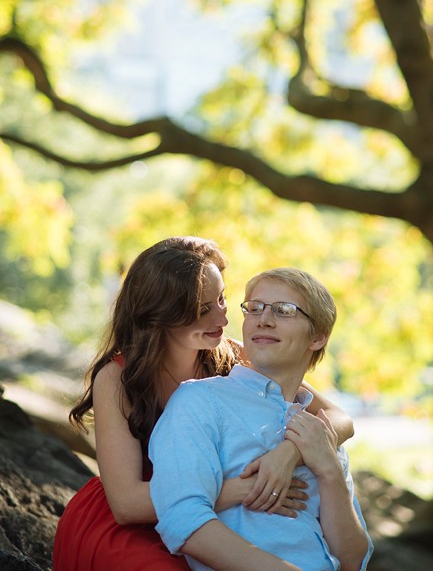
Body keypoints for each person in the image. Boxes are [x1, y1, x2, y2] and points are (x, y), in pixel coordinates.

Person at [53, 237, 354, 571]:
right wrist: (244, 489)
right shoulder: (117, 378)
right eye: (203, 309)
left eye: (223, 299)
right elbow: (125, 503)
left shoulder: (232, 353)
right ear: (160, 315)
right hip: (136, 520)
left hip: (207, 513)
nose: (222, 319)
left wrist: (287, 454)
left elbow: (340, 419)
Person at [149, 267, 372, 571]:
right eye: (254, 308)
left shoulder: (318, 430)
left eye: (284, 310)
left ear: (318, 337)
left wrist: (329, 470)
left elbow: (354, 560)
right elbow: (183, 521)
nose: (263, 319)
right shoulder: (200, 401)